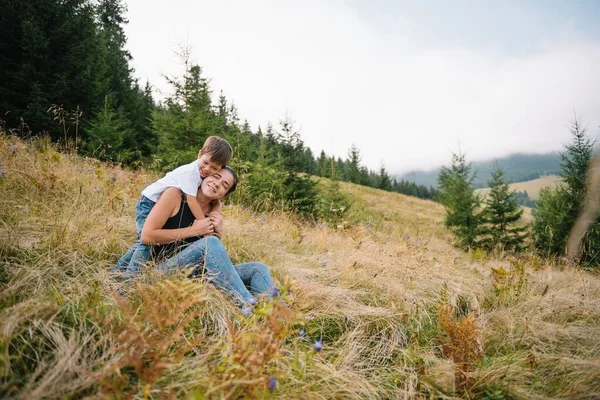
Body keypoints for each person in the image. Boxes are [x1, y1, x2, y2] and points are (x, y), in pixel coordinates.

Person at [115, 166, 276, 307]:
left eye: (224, 185)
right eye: (216, 177)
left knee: (257, 268)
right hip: (155, 273)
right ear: (207, 174)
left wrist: (218, 233)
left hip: (193, 275)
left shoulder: (213, 213)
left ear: (224, 195)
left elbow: (208, 255)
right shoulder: (175, 195)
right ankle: (247, 306)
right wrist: (194, 230)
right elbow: (147, 236)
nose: (217, 184)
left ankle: (277, 316)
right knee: (210, 243)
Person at [115, 136, 233, 274]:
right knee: (145, 242)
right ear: (199, 154)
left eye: (214, 168)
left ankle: (117, 271)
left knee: (143, 244)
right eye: (205, 162)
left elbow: (215, 200)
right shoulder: (190, 172)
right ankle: (129, 278)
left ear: (220, 168)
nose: (207, 169)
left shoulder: (201, 175)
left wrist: (216, 210)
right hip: (148, 202)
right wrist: (203, 223)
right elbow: (191, 200)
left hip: (155, 202)